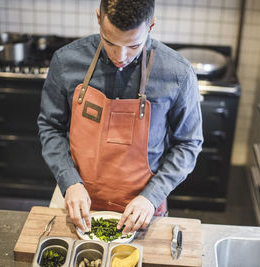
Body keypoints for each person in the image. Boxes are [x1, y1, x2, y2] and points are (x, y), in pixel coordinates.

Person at [37, 0, 203, 236]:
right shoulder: (66, 62)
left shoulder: (178, 74)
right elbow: (50, 126)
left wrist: (152, 196)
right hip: (75, 198)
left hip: (142, 207)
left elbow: (188, 143)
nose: (120, 56)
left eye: (134, 45)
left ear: (151, 25)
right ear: (98, 18)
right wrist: (69, 181)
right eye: (109, 42)